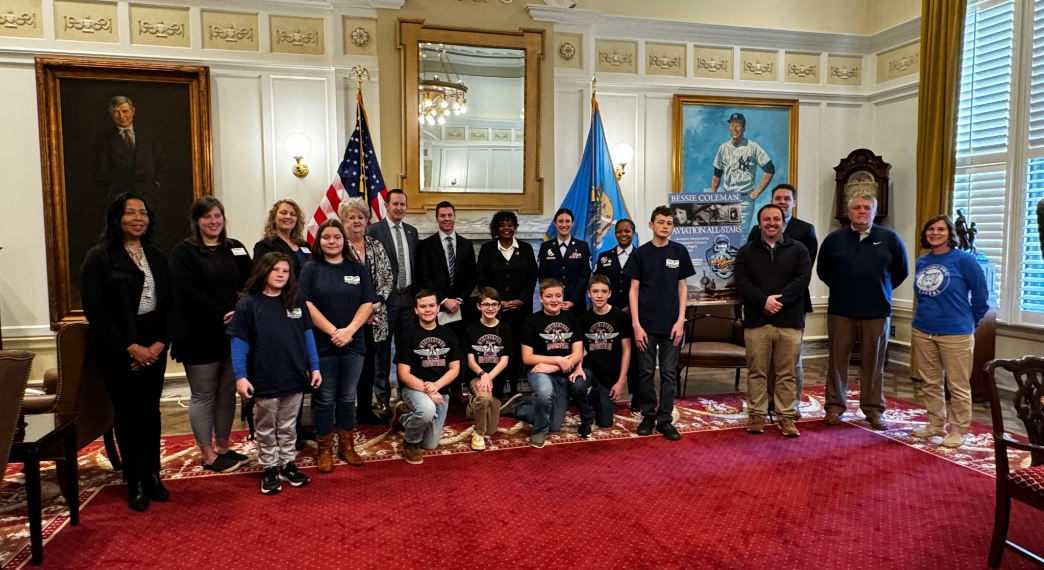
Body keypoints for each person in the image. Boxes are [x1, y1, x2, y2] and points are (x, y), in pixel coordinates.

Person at [80, 192, 175, 512]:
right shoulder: (100, 257)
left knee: (150, 411)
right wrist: (131, 348)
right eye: (130, 212)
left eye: (143, 213)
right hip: (118, 346)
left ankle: (153, 474)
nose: (138, 218)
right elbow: (95, 310)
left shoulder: (156, 256)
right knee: (127, 413)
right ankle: (135, 481)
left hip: (154, 344)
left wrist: (159, 344)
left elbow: (170, 304)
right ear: (117, 218)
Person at [170, 197, 253, 474]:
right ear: (196, 221)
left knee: (227, 393)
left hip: (232, 333)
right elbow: (187, 293)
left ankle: (223, 447)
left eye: (217, 215)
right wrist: (224, 313)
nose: (213, 221)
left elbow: (252, 282)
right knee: (204, 394)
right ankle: (207, 453)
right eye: (207, 216)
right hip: (198, 334)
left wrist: (239, 312)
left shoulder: (236, 247)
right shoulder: (184, 252)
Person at [229, 253, 321, 495]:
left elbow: (308, 335)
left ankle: (287, 463)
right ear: (264, 271)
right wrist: (240, 376)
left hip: (294, 375)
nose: (281, 274)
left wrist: (315, 366)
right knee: (266, 425)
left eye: (285, 271)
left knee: (289, 425)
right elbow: (239, 341)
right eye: (275, 269)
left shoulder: (296, 300)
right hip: (264, 376)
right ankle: (269, 467)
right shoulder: (248, 303)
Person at [817, 193, 909, 430]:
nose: (862, 211)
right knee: (837, 361)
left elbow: (901, 271)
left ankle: (873, 410)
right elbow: (823, 271)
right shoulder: (834, 239)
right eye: (857, 207)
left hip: (876, 311)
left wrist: (879, 288)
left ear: (874, 212)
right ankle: (834, 407)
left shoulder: (890, 238)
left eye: (867, 208)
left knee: (874, 363)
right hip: (841, 310)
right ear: (849, 212)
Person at [299, 219, 377, 473]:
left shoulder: (358, 269)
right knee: (324, 398)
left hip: (354, 342)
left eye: (336, 237)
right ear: (318, 241)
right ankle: (324, 449)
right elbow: (306, 305)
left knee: (347, 396)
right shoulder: (310, 269)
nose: (331, 241)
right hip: (322, 343)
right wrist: (334, 332)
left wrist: (349, 331)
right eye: (326, 237)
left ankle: (347, 446)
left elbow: (368, 303)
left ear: (344, 240)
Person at [910, 215, 988, 449]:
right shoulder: (923, 261)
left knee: (958, 385)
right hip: (923, 330)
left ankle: (958, 430)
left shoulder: (964, 260)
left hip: (956, 332)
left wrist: (971, 321)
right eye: (930, 229)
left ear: (950, 234)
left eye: (941, 229)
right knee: (930, 382)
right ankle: (935, 425)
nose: (935, 233)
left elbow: (981, 295)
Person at [735, 204, 812, 437]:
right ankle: (756, 414)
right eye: (766, 219)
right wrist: (764, 301)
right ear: (759, 224)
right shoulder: (746, 251)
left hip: (789, 321)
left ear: (783, 222)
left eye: (776, 219)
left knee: (786, 373)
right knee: (756, 371)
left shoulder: (799, 249)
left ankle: (786, 416)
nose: (771, 223)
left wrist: (777, 302)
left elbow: (802, 280)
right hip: (757, 321)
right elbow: (742, 281)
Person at [624, 206, 695, 441]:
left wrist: (681, 320)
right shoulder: (640, 254)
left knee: (668, 373)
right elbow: (633, 290)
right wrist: (636, 324)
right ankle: (648, 415)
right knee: (645, 372)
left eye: (669, 223)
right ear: (651, 225)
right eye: (661, 222)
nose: (665, 226)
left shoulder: (679, 251)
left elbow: (682, 287)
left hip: (672, 325)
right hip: (645, 324)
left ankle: (665, 419)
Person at [747, 183, 817, 415]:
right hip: (761, 306)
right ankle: (766, 402)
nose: (782, 202)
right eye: (778, 198)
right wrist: (763, 300)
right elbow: (750, 269)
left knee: (790, 361)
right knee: (763, 360)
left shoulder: (805, 231)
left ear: (793, 203)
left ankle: (789, 406)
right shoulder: (756, 231)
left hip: (793, 305)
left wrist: (779, 299)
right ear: (772, 201)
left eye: (787, 198)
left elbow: (804, 273)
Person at [507, 278, 591, 448]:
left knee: (554, 425)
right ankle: (539, 431)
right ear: (540, 298)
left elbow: (577, 353)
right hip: (540, 371)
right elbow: (527, 357)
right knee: (544, 393)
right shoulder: (531, 321)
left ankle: (517, 408)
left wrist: (554, 366)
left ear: (563, 296)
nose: (554, 300)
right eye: (549, 296)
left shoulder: (572, 319)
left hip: (563, 373)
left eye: (558, 296)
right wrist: (558, 360)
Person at [388, 290, 462, 464]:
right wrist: (428, 390)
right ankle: (410, 442)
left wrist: (436, 386)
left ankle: (404, 416)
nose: (427, 310)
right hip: (415, 388)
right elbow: (403, 374)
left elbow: (455, 369)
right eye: (422, 306)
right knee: (426, 411)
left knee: (430, 444)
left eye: (431, 306)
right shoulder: (407, 334)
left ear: (438, 308)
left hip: (440, 390)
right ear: (416, 310)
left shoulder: (449, 334)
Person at [338, 198, 394, 424]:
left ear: (367, 220)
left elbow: (387, 277)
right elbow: (336, 283)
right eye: (351, 217)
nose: (356, 221)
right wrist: (360, 312)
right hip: (347, 319)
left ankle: (364, 410)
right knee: (347, 366)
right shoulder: (338, 247)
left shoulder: (375, 245)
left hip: (375, 318)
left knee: (370, 365)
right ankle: (342, 412)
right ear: (343, 221)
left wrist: (374, 306)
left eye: (360, 217)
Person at [366, 189, 420, 414]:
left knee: (406, 348)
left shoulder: (412, 232)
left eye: (402, 204)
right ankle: (382, 398)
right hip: (385, 300)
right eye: (395, 204)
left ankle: (405, 394)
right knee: (382, 349)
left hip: (408, 298)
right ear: (386, 205)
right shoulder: (373, 230)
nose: (399, 208)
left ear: (407, 207)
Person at [475, 210, 539, 398]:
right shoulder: (487, 249)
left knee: (518, 349)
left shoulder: (525, 249)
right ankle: (496, 392)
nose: (506, 228)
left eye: (510, 225)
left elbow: (532, 278)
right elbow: (481, 278)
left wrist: (521, 300)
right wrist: (497, 302)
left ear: (515, 227)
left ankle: (515, 391)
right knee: (497, 349)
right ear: (496, 228)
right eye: (502, 225)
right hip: (495, 311)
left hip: (521, 310)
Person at [416, 201, 476, 392]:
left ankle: (457, 391)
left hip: (460, 308)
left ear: (455, 217)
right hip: (435, 307)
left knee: (456, 348)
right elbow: (424, 276)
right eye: (442, 216)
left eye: (450, 215)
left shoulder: (466, 245)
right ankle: (438, 389)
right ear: (437, 219)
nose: (446, 219)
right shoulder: (426, 245)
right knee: (436, 349)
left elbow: (471, 276)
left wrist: (459, 300)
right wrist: (443, 300)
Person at [594, 218, 640, 411]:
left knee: (635, 356)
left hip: (634, 314)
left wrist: (631, 307)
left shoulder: (641, 256)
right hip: (610, 315)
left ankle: (637, 395)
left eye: (627, 231)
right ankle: (607, 393)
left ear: (633, 233)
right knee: (611, 354)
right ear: (615, 234)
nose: (623, 234)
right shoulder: (605, 257)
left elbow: (646, 286)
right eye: (619, 231)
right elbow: (598, 283)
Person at [577, 274, 632, 431]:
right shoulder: (583, 318)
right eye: (595, 291)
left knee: (605, 423)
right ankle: (586, 418)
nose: (599, 295)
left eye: (603, 291)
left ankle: (595, 396)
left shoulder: (621, 317)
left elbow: (627, 350)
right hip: (590, 369)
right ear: (589, 294)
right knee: (576, 385)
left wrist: (621, 382)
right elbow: (578, 348)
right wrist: (578, 367)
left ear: (609, 293)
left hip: (611, 374)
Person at [464, 287, 516, 451]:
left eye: (494, 304)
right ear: (479, 306)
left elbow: (504, 361)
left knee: (491, 430)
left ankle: (473, 406)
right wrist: (482, 375)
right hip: (476, 376)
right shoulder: (471, 329)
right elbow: (470, 361)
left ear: (499, 306)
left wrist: (489, 377)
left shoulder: (505, 329)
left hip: (496, 378)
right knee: (484, 397)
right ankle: (478, 434)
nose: (490, 308)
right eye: (486, 304)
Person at [710, 112, 776, 237]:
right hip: (727, 197)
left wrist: (757, 192)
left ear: (744, 128)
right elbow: (717, 173)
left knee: (741, 236)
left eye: (738, 125)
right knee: (725, 234)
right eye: (732, 125)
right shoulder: (723, 148)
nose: (734, 128)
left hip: (744, 199)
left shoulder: (752, 147)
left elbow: (769, 168)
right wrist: (712, 196)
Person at [95, 96, 166, 208]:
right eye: (116, 112)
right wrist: (110, 192)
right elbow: (101, 170)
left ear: (132, 111)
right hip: (119, 196)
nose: (121, 116)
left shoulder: (148, 136)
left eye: (124, 111)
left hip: (148, 194)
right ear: (111, 113)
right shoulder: (105, 140)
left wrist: (156, 184)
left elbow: (160, 163)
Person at [537, 208, 591, 315]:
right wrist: (553, 299)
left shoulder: (582, 246)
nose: (564, 225)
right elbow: (542, 276)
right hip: (552, 303)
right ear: (555, 223)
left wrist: (573, 301)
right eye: (560, 221)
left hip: (576, 303)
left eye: (567, 221)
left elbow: (585, 276)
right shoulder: (546, 247)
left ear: (572, 223)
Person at [253, 200, 311, 277]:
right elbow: (261, 276)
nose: (288, 217)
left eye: (293, 214)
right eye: (283, 213)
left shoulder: (305, 245)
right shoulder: (265, 246)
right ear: (274, 218)